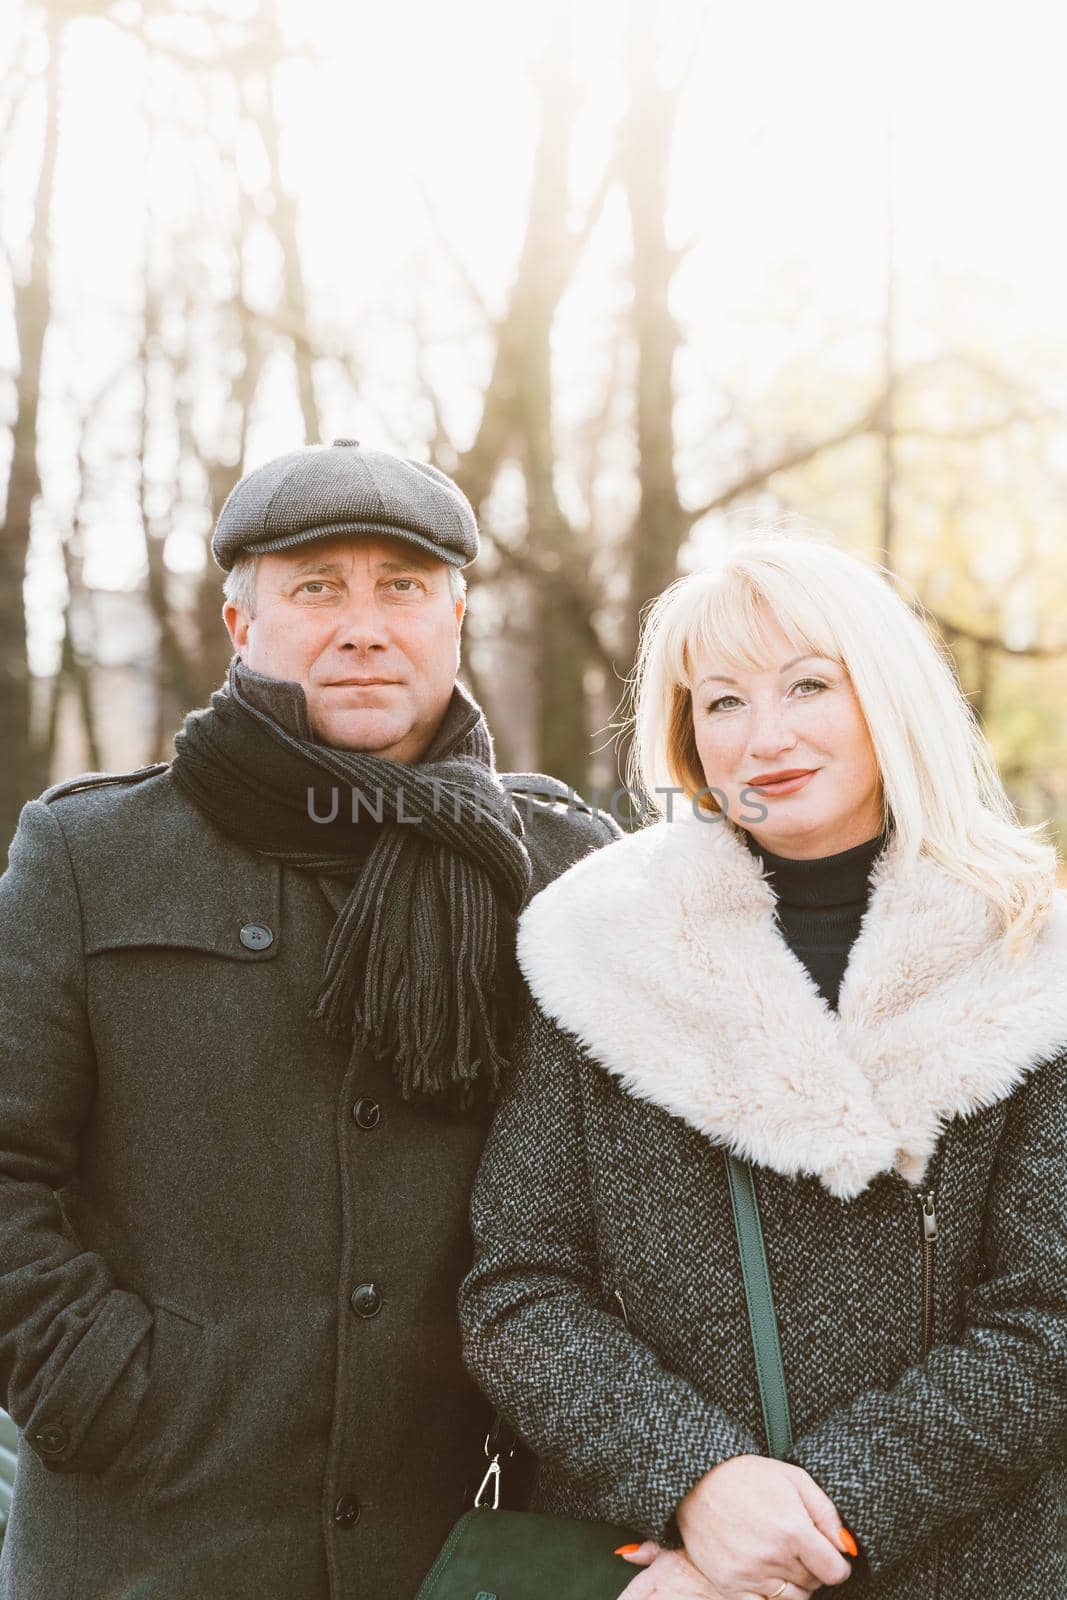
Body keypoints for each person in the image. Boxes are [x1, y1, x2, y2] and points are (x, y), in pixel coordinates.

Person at [0, 439, 616, 1599]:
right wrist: (95, 1380)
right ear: (243, 625)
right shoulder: (91, 856)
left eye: (402, 586)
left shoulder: (565, 870)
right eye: (316, 587)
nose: (364, 624)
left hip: (469, 1545)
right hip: (153, 1536)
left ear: (455, 615)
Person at [460, 534, 1067, 1600]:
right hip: (664, 1570)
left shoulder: (1028, 954)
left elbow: (1046, 1318)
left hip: (974, 1563)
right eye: (721, 700)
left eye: (806, 685)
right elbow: (519, 1289)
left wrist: (816, 1517)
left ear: (884, 693)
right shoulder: (599, 949)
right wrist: (693, 1480)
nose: (764, 736)